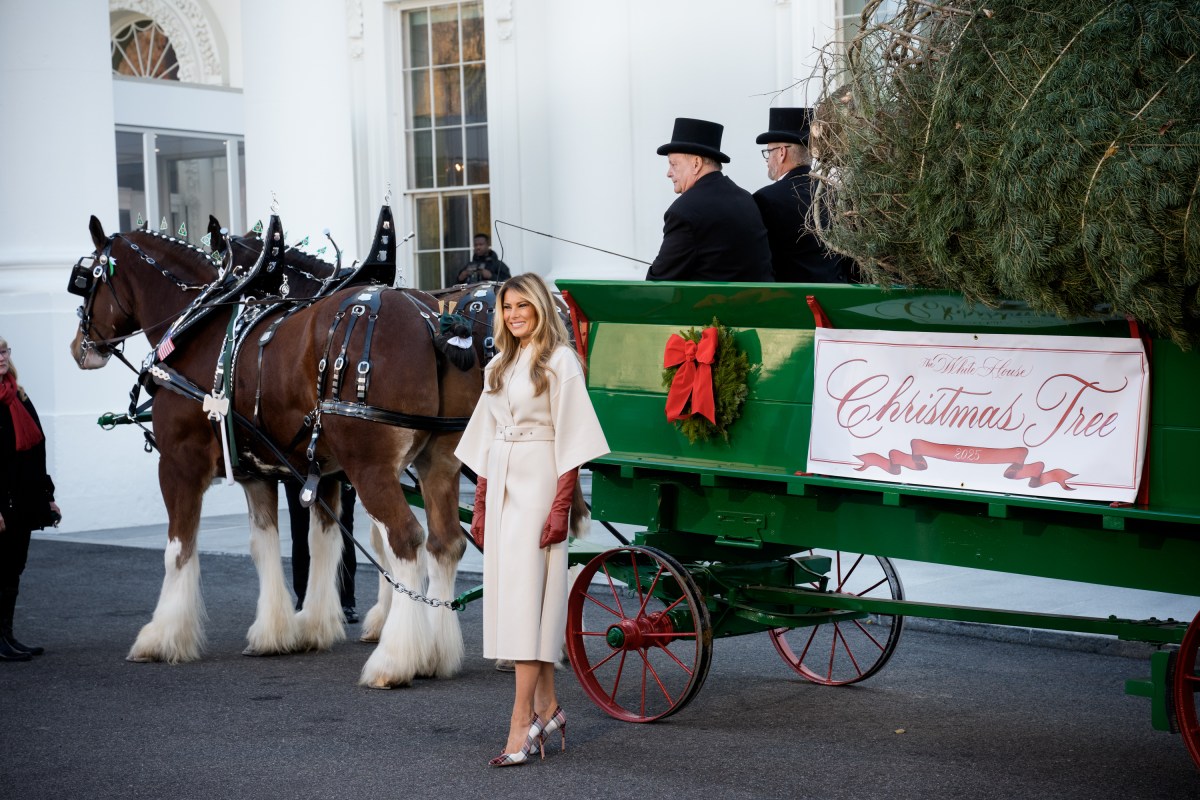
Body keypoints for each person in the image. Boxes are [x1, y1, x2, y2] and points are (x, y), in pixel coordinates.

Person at [454, 273, 609, 767]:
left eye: (523, 305)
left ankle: (521, 721)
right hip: (500, 479)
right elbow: (483, 439)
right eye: (507, 307)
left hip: (540, 480)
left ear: (541, 308)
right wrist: (479, 506)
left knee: (526, 601)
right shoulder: (498, 365)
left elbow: (574, 442)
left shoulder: (559, 361)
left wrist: (562, 506)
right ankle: (549, 707)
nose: (514, 314)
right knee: (518, 599)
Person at [645, 117, 773, 282]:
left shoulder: (684, 212)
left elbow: (658, 281)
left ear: (696, 163)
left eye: (673, 164)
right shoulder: (747, 199)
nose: (668, 173)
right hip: (759, 305)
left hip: (715, 306)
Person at [0, 336, 60, 662]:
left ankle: (6, 636)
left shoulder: (19, 397)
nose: (1, 357)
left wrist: (47, 497)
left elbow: (37, 452)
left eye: (4, 350)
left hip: (22, 500)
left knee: (13, 569)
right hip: (2, 503)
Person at [753, 107, 854, 283]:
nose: (767, 161)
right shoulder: (834, 193)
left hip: (794, 302)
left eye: (769, 152)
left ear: (782, 152)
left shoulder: (766, 199)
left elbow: (763, 261)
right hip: (839, 297)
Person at [284, 478, 358, 623]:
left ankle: (345, 598)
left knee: (343, 528)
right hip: (297, 467)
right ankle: (304, 597)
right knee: (300, 529)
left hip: (337, 466)